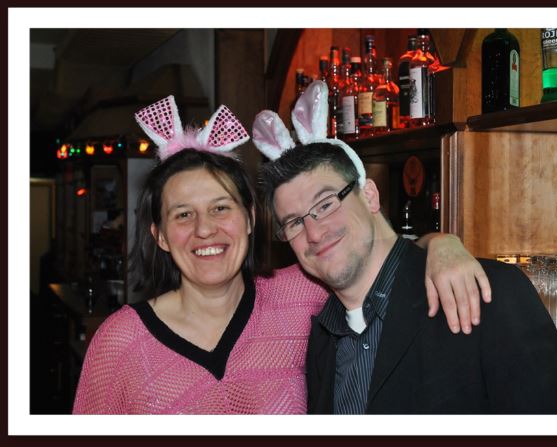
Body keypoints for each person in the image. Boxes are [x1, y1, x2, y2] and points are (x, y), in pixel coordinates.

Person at [72, 96, 489, 414]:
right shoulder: (119, 343)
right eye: (183, 214)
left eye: (221, 208)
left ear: (250, 220)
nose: (204, 229)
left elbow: (374, 261)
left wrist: (439, 244)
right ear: (160, 236)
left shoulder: (303, 293)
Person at [257, 81, 557, 414]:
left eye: (326, 204)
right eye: (294, 223)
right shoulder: (321, 337)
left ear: (369, 195)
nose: (313, 232)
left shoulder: (489, 295)